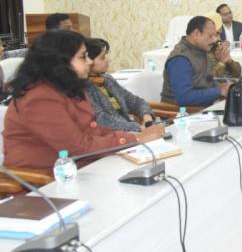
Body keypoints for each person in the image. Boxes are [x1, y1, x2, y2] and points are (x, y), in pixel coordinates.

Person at [2, 31, 164, 169]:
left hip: (84, 168)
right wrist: (135, 138)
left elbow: (93, 130)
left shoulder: (70, 87)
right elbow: (77, 147)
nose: (90, 61)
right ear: (59, 61)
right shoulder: (39, 98)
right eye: (83, 57)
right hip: (46, 181)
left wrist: (134, 136)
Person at [85, 38, 156, 133]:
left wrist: (147, 116)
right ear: (87, 61)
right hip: (113, 136)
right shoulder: (83, 89)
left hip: (130, 131)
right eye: (102, 57)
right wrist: (139, 128)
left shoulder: (107, 80)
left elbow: (135, 101)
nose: (108, 60)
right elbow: (102, 120)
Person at [161, 16, 232, 107]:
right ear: (196, 34)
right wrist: (219, 91)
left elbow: (208, 80)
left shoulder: (202, 50)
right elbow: (184, 98)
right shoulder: (181, 58)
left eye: (215, 35)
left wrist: (226, 86)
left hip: (203, 107)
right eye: (210, 36)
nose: (215, 40)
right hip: (181, 112)